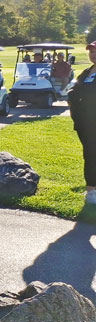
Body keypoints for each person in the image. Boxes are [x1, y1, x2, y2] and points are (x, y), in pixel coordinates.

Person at [69, 43, 96, 205]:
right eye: (91, 52)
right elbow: (75, 90)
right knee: (90, 154)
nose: (93, 55)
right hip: (84, 123)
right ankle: (91, 190)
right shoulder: (86, 73)